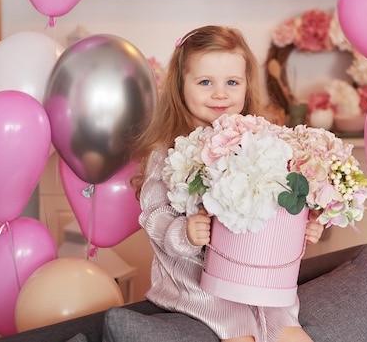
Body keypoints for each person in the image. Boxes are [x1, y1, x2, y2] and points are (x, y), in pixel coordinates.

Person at [130, 25, 325, 342]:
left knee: (292, 336)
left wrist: (304, 225)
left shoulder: (261, 142)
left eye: (232, 82)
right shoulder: (166, 151)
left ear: (247, 86)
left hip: (258, 278)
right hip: (197, 282)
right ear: (181, 86)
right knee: (240, 334)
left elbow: (276, 206)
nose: (220, 93)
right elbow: (154, 213)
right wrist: (185, 231)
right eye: (205, 82)